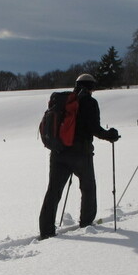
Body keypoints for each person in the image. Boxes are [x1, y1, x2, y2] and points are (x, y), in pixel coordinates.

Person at [38, 73, 120, 239]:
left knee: (53, 191)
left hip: (58, 152)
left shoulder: (62, 100)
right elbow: (94, 129)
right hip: (81, 153)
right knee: (88, 188)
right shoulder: (89, 102)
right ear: (91, 87)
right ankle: (86, 223)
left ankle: (46, 230)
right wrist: (110, 135)